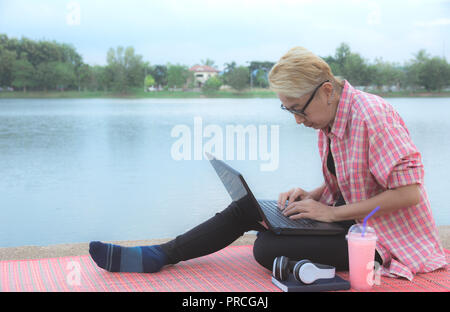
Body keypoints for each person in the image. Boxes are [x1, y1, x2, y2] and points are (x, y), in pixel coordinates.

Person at [89, 47, 446, 281]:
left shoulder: (373, 116)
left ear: (325, 89)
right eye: (287, 109)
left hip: (383, 241)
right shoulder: (329, 118)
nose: (296, 119)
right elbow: (352, 177)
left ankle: (313, 273)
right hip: (351, 221)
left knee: (267, 247)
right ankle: (157, 254)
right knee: (250, 209)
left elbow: (409, 193)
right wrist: (316, 194)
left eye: (298, 108)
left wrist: (331, 214)